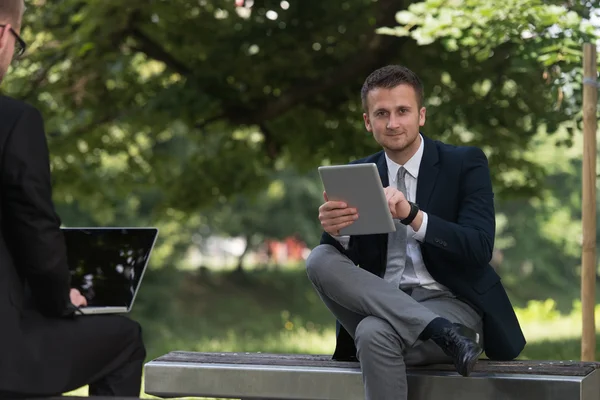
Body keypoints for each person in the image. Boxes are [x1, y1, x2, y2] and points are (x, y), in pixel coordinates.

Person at [306, 64, 525, 400]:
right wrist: (337, 232)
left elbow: (479, 248)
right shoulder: (356, 174)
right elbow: (337, 271)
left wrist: (412, 215)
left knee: (372, 332)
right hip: (385, 303)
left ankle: (443, 328)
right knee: (320, 257)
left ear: (421, 115)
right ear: (368, 122)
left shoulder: (464, 163)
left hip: (451, 304)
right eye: (381, 113)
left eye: (402, 111)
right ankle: (442, 335)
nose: (393, 123)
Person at [0, 0, 146, 397]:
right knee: (123, 340)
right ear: (2, 36)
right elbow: (35, 230)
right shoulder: (13, 120)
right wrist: (59, 299)